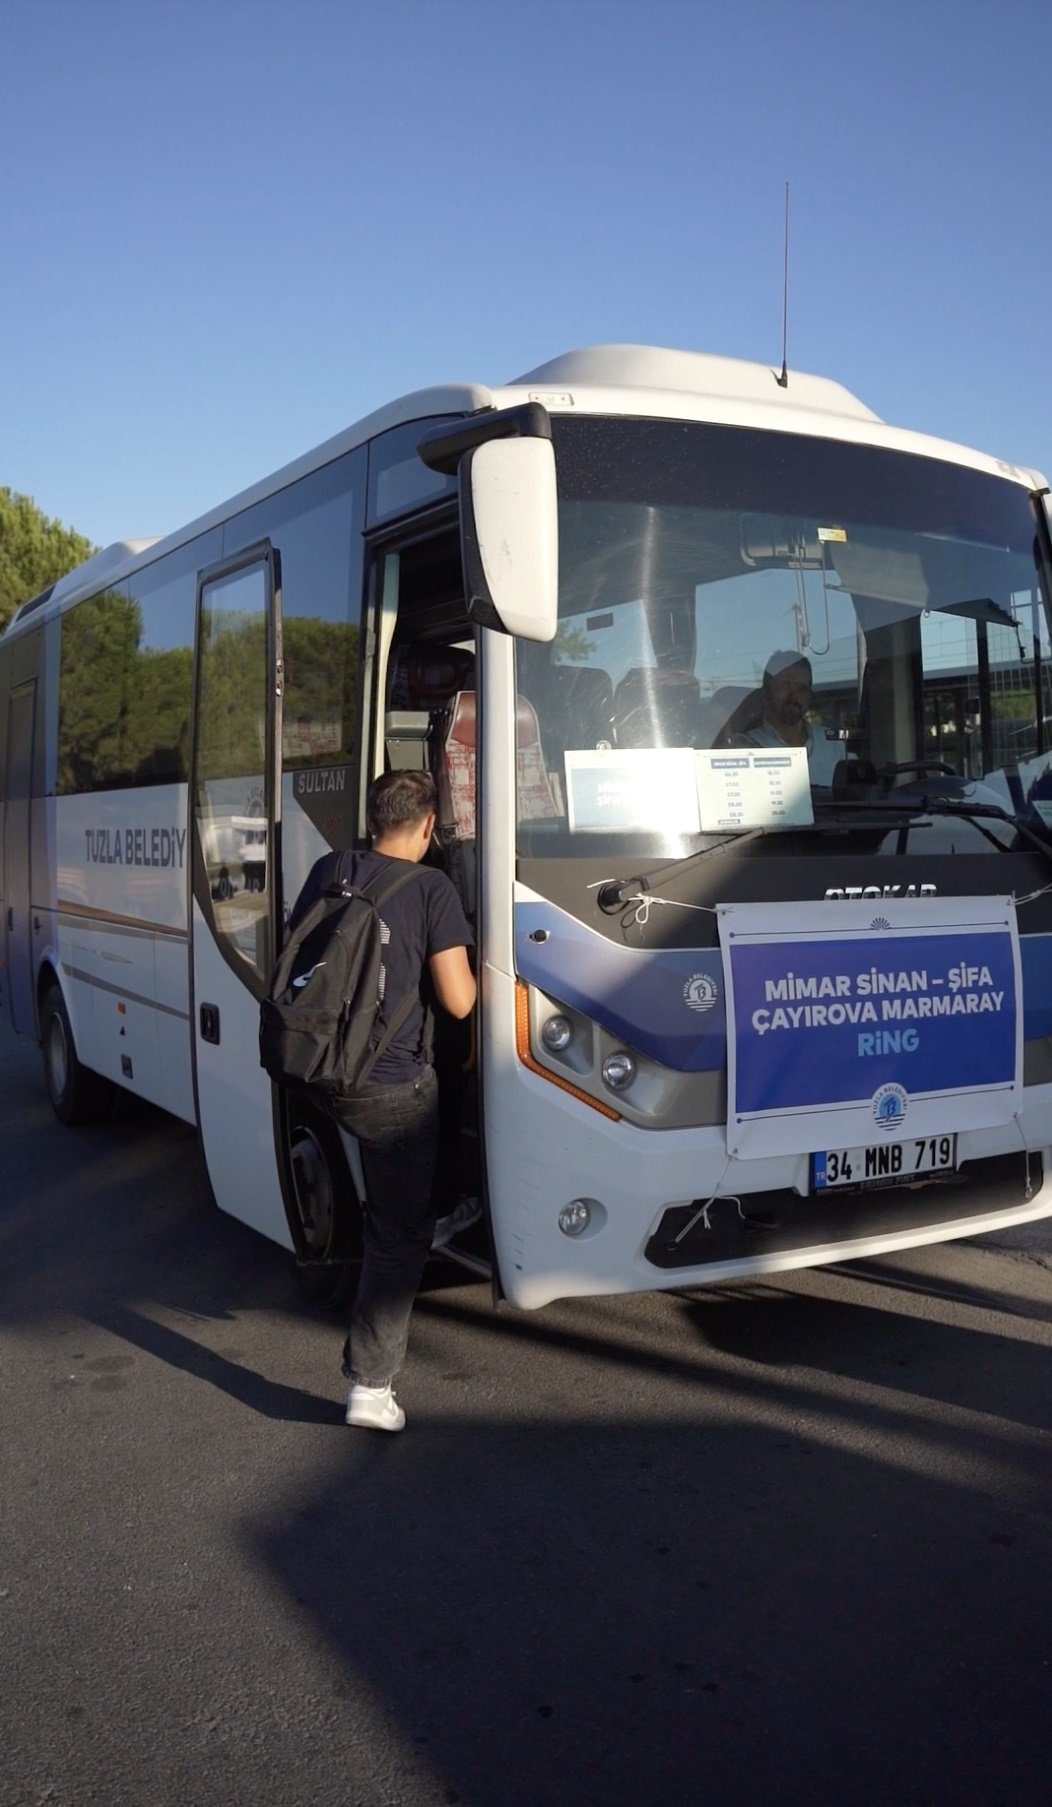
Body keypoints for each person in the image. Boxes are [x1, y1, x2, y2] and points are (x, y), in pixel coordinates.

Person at [287, 769, 477, 1432]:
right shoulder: (432, 888)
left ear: (373, 818)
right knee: (398, 1233)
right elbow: (458, 1001)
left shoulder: (330, 869)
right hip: (390, 1086)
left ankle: (433, 1213)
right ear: (427, 826)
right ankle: (371, 1386)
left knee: (397, 1197)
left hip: (317, 1066)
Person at [736, 649, 841, 785]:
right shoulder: (745, 747)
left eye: (802, 689)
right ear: (765, 694)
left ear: (810, 695)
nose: (794, 696)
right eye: (784, 687)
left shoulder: (833, 744)